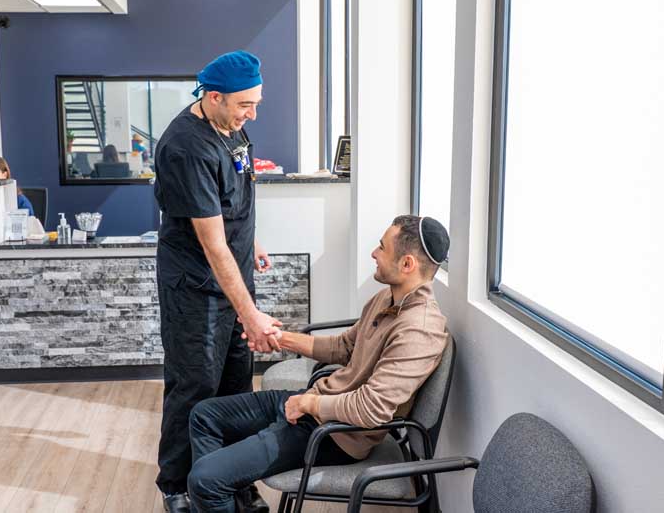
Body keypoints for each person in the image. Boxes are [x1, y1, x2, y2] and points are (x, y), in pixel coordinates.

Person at [186, 215, 451, 513]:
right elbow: (343, 347)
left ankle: (220, 492)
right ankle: (238, 501)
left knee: (205, 480)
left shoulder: (420, 330)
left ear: (407, 264)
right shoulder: (385, 299)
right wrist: (280, 337)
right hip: (317, 404)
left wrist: (309, 404)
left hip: (336, 435)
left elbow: (372, 409)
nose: (374, 253)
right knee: (204, 415)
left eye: (382, 247)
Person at [153, 50, 278, 513]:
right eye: (246, 104)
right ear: (213, 97)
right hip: (196, 289)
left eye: (257, 103)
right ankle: (177, 486)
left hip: (231, 277)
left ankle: (229, 476)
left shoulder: (230, 124)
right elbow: (211, 243)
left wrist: (253, 240)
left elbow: (234, 197)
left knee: (235, 387)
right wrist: (252, 314)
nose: (253, 114)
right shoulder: (186, 148)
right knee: (195, 387)